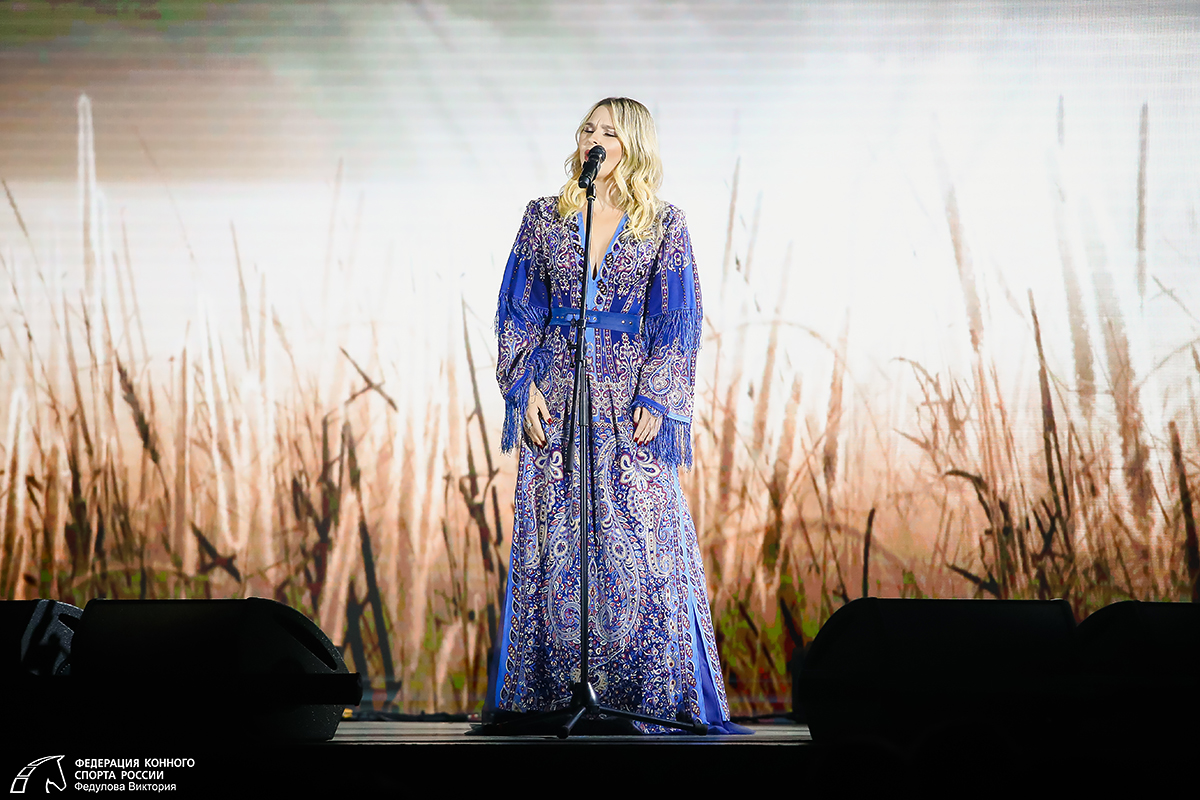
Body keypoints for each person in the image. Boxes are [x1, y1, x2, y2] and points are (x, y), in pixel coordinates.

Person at [490, 97, 742, 733]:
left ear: (633, 145)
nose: (594, 139)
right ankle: (554, 694)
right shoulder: (545, 216)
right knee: (556, 546)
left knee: (642, 547)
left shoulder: (664, 223)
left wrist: (658, 396)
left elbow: (678, 319)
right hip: (558, 397)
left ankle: (641, 695)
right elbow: (517, 308)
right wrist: (524, 385)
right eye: (587, 128)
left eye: (609, 131)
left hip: (628, 401)